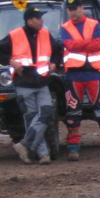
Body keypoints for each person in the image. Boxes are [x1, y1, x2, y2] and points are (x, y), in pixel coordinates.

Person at [60, 0, 100, 160]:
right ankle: (73, 149)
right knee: (73, 113)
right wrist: (85, 45)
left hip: (94, 74)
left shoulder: (94, 24)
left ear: (82, 8)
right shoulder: (64, 27)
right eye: (70, 9)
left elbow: (98, 44)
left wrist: (78, 45)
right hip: (74, 76)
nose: (73, 12)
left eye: (75, 8)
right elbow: (68, 45)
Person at [0, 7, 63, 164]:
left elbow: (58, 49)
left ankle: (24, 144)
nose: (42, 20)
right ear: (29, 20)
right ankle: (43, 154)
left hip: (42, 82)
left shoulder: (45, 34)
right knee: (32, 118)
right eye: (38, 18)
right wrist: (11, 61)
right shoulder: (15, 35)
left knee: (45, 113)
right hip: (23, 83)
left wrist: (54, 63)